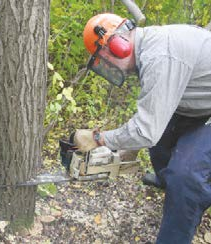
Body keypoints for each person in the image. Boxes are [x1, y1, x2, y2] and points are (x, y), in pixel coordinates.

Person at [74, 13, 211, 243]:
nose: (107, 65)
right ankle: (168, 182)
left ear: (118, 45)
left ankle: (184, 206)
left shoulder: (159, 57)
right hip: (196, 101)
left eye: (104, 58)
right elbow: (152, 115)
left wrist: (99, 138)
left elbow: (146, 130)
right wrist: (129, 145)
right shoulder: (147, 48)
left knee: (184, 176)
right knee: (160, 144)